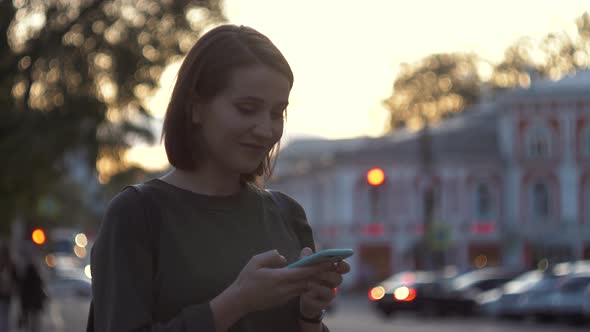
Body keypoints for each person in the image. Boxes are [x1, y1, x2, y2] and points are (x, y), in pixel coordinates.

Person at [89, 24, 350, 332]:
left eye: (277, 113)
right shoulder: (137, 215)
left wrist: (309, 314)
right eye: (247, 109)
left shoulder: (287, 215)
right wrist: (235, 302)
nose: (266, 130)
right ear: (195, 107)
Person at [0, 242, 17, 331]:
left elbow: (15, 278)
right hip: (6, 294)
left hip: (6, 294)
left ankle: (4, 329)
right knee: (5, 314)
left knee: (4, 314)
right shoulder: (10, 264)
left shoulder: (10, 265)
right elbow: (16, 279)